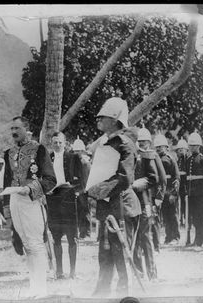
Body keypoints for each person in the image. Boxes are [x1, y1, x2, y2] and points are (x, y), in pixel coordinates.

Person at [87, 97, 140, 298]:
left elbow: (125, 178)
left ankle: (125, 294)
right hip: (107, 206)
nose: (98, 118)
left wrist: (100, 190)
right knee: (105, 251)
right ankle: (102, 290)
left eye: (103, 116)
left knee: (121, 252)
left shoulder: (124, 144)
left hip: (121, 206)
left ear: (116, 119)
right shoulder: (104, 143)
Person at [3, 116, 56, 298]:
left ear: (27, 129)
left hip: (33, 200)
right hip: (14, 199)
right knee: (26, 244)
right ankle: (34, 289)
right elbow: (6, 181)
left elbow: (50, 180)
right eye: (12, 129)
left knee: (35, 244)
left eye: (17, 128)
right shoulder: (8, 153)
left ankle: (41, 289)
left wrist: (30, 188)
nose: (14, 132)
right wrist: (6, 208)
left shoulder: (39, 150)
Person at [47, 131, 83, 280]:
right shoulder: (47, 158)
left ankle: (73, 271)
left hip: (69, 198)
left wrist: (75, 191)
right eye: (55, 142)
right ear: (52, 143)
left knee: (71, 236)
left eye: (60, 142)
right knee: (56, 236)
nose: (58, 145)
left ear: (65, 142)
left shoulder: (73, 157)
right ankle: (59, 272)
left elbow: (82, 180)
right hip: (53, 199)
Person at [132, 127, 158, 281]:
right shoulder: (131, 156)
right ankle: (138, 273)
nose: (142, 144)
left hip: (144, 201)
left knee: (145, 236)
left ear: (149, 142)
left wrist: (138, 184)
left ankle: (152, 273)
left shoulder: (149, 157)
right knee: (132, 238)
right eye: (139, 141)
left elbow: (154, 178)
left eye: (145, 142)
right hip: (130, 202)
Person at [185, 131, 203, 248]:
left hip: (201, 192)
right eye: (190, 145)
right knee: (195, 216)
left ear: (199, 146)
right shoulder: (188, 160)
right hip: (191, 192)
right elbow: (187, 177)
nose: (192, 147)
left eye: (194, 145)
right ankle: (198, 238)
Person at [154, 134, 180, 245]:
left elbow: (176, 177)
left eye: (161, 147)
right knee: (164, 215)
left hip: (170, 191)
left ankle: (175, 237)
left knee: (172, 215)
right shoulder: (155, 159)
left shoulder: (171, 159)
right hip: (161, 191)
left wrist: (174, 193)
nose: (159, 149)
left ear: (166, 147)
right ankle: (168, 237)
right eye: (157, 147)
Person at [71, 136, 92, 239]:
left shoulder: (85, 162)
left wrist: (82, 190)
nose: (77, 153)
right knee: (79, 211)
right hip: (77, 189)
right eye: (75, 151)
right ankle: (82, 232)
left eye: (78, 151)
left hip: (84, 190)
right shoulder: (75, 161)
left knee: (85, 211)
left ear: (83, 151)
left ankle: (87, 232)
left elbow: (86, 178)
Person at [174, 138, 189, 227]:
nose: (180, 152)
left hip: (186, 184)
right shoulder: (178, 160)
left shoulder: (188, 159)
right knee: (179, 202)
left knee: (185, 203)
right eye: (179, 150)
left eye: (182, 149)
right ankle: (181, 219)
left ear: (186, 150)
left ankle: (186, 219)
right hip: (180, 184)